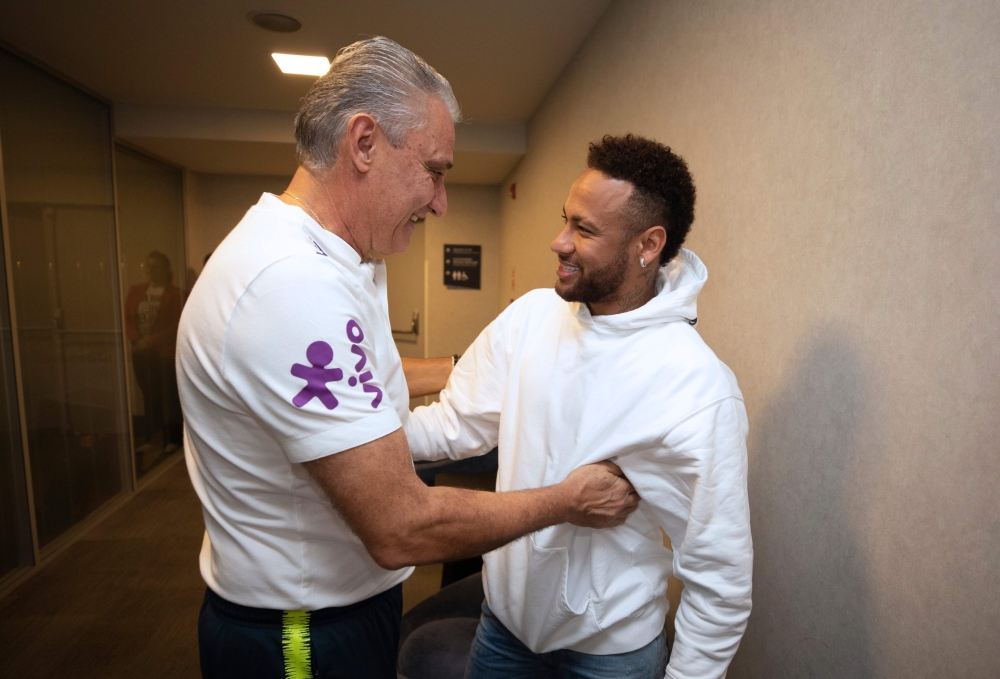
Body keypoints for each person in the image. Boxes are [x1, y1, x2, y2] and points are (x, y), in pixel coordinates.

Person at [176, 37, 639, 679]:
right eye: (436, 170)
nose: (441, 201)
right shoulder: (290, 288)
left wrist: (469, 368)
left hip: (339, 608)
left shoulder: (337, 259)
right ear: (364, 143)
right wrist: (566, 500)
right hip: (300, 635)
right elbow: (401, 526)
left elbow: (363, 373)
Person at [405, 135, 753, 679]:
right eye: (565, 220)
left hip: (610, 655)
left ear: (648, 244)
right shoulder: (531, 317)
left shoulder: (695, 386)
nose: (558, 242)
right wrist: (353, 436)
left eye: (584, 229)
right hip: (503, 631)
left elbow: (720, 576)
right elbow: (455, 426)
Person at [124, 250, 183, 467]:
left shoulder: (175, 294)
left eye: (155, 265)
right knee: (149, 395)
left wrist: (152, 340)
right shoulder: (136, 291)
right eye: (147, 266)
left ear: (166, 268)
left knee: (169, 395)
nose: (150, 270)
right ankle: (152, 438)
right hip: (141, 352)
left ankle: (172, 439)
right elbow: (128, 318)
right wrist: (137, 340)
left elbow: (176, 323)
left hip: (164, 352)